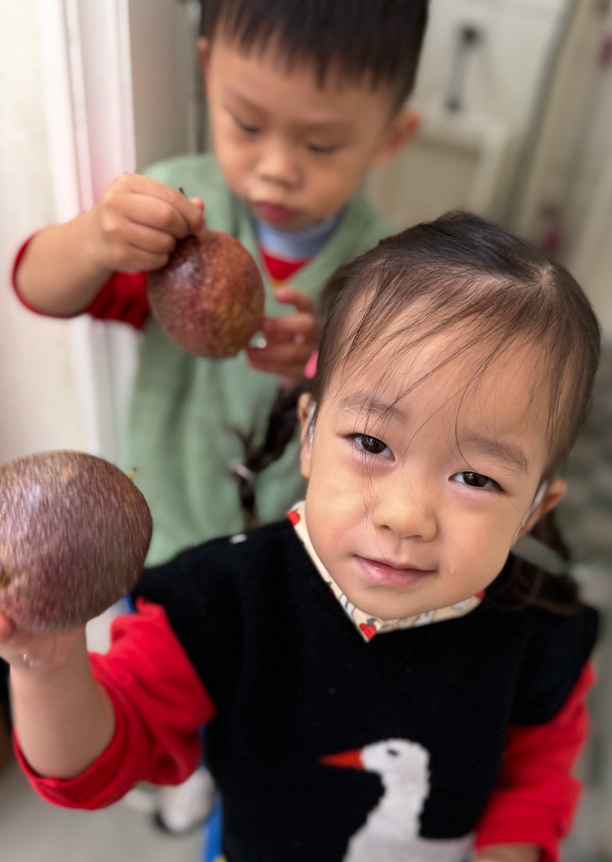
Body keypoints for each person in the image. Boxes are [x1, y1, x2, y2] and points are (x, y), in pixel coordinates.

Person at [2, 214, 601, 862]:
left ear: (534, 509)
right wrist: (45, 664)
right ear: (311, 435)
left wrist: (508, 856)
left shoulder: (540, 635)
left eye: (475, 478)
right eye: (372, 443)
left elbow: (540, 768)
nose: (405, 514)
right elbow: (95, 762)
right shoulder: (221, 600)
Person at [12, 0, 424, 567]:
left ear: (390, 137)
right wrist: (93, 241)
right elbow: (36, 287)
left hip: (291, 558)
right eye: (248, 124)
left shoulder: (388, 273)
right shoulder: (171, 213)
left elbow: (397, 427)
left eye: (320, 145)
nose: (276, 168)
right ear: (208, 73)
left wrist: (319, 367)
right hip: (161, 537)